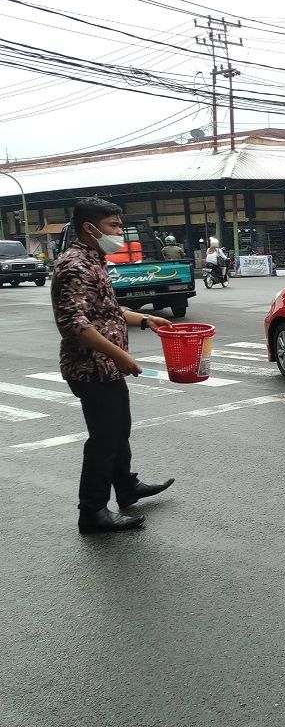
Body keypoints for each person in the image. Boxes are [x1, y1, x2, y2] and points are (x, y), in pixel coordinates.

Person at [51, 197, 175, 533]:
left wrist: (146, 319)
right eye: (113, 226)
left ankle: (126, 486)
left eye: (120, 225)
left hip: (106, 368)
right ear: (90, 228)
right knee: (104, 439)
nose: (120, 232)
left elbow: (108, 310)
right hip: (90, 368)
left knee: (119, 430)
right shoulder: (75, 265)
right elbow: (74, 323)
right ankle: (91, 512)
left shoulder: (94, 261)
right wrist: (120, 355)